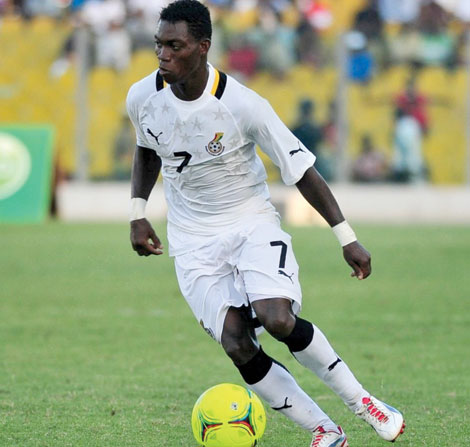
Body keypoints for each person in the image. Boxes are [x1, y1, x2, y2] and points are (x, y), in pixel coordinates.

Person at [126, 1, 405, 446]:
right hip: (192, 240)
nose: (163, 55)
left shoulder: (243, 105)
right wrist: (138, 212)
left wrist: (346, 237)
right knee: (237, 343)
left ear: (203, 47)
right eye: (159, 44)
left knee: (277, 319)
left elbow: (302, 171)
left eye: (175, 46)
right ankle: (325, 431)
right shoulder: (142, 97)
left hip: (250, 222)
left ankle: (364, 402)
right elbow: (146, 149)